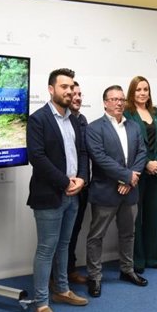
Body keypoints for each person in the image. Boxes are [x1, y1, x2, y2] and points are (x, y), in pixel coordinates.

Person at [27, 68, 89, 312]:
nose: (69, 91)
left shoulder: (74, 119)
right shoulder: (38, 119)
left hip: (73, 194)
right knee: (46, 250)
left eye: (71, 87)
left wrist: (82, 179)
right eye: (63, 86)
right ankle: (41, 303)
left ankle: (62, 290)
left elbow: (83, 153)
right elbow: (37, 158)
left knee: (64, 246)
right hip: (49, 195)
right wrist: (65, 182)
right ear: (51, 89)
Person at [85, 85, 148, 298]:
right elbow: (100, 159)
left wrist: (130, 179)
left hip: (129, 191)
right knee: (96, 236)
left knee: (128, 233)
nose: (119, 103)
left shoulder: (134, 126)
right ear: (105, 102)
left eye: (121, 99)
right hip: (105, 192)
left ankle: (127, 270)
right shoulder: (94, 128)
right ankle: (94, 276)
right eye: (114, 99)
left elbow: (142, 153)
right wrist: (126, 176)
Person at [124, 76, 157, 272]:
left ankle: (153, 257)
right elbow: (130, 143)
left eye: (145, 89)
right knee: (137, 217)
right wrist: (147, 163)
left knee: (153, 216)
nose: (143, 93)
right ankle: (138, 260)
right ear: (132, 93)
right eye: (138, 90)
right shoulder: (127, 113)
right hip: (138, 172)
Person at [65, 82, 90, 284]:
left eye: (80, 94)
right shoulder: (59, 121)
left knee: (74, 232)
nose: (78, 97)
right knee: (60, 236)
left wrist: (82, 179)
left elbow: (84, 154)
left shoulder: (82, 120)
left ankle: (69, 269)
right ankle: (57, 276)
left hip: (82, 186)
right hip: (63, 186)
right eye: (74, 94)